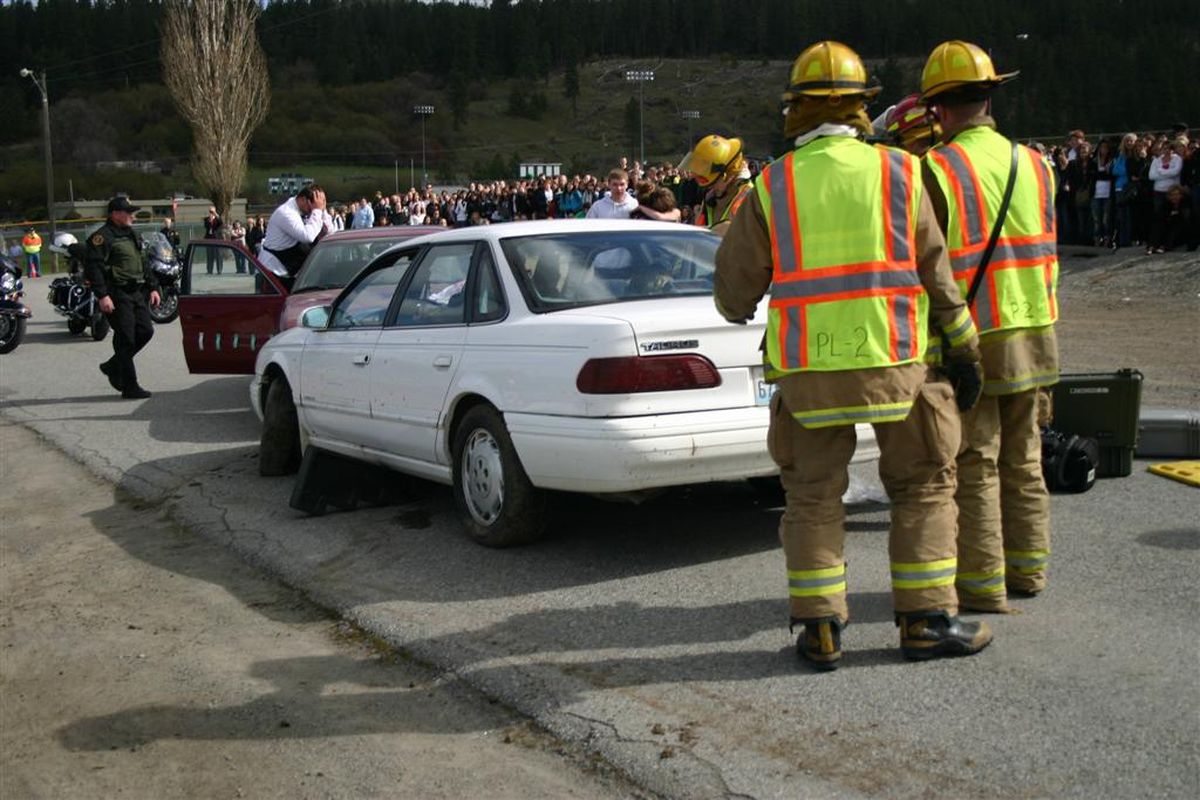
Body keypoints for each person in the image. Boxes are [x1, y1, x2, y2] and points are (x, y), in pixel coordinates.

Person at [715, 40, 990, 670]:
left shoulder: (773, 185)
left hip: (809, 374)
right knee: (923, 488)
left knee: (812, 498)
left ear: (797, 110)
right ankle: (925, 623)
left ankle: (820, 631)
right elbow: (937, 275)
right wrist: (967, 351)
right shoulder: (902, 171)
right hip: (901, 363)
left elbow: (733, 297)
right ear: (864, 105)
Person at [919, 39, 1060, 612]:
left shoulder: (936, 168)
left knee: (975, 460)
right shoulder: (1037, 164)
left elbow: (926, 265)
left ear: (938, 109)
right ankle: (1030, 571)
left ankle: (982, 583)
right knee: (1025, 455)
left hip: (974, 336)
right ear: (989, 97)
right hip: (1036, 328)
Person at [85, 197, 161, 400]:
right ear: (115, 214)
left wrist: (153, 287)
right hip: (116, 293)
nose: (132, 217)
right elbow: (94, 268)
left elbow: (142, 261)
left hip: (136, 291)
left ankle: (113, 365)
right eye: (128, 213)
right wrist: (102, 295)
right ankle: (130, 386)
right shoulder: (101, 237)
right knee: (126, 338)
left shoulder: (131, 234)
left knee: (145, 331)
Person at [678, 134, 753, 236]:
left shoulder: (749, 198)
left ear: (726, 176)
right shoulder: (710, 197)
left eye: (704, 174)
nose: (697, 178)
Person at [258, 185, 331, 282]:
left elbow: (330, 232)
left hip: (290, 271)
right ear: (304, 200)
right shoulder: (286, 213)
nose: (312, 211)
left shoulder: (304, 211)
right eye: (313, 206)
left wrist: (323, 211)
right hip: (272, 273)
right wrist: (317, 211)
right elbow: (308, 236)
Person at [203, 206, 224, 274]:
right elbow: (206, 226)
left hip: (217, 239)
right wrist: (210, 221)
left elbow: (221, 222)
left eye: (212, 211)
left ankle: (219, 270)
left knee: (219, 255)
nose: (211, 213)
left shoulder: (218, 219)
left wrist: (215, 214)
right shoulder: (207, 219)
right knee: (209, 255)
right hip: (209, 238)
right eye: (210, 211)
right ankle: (209, 270)